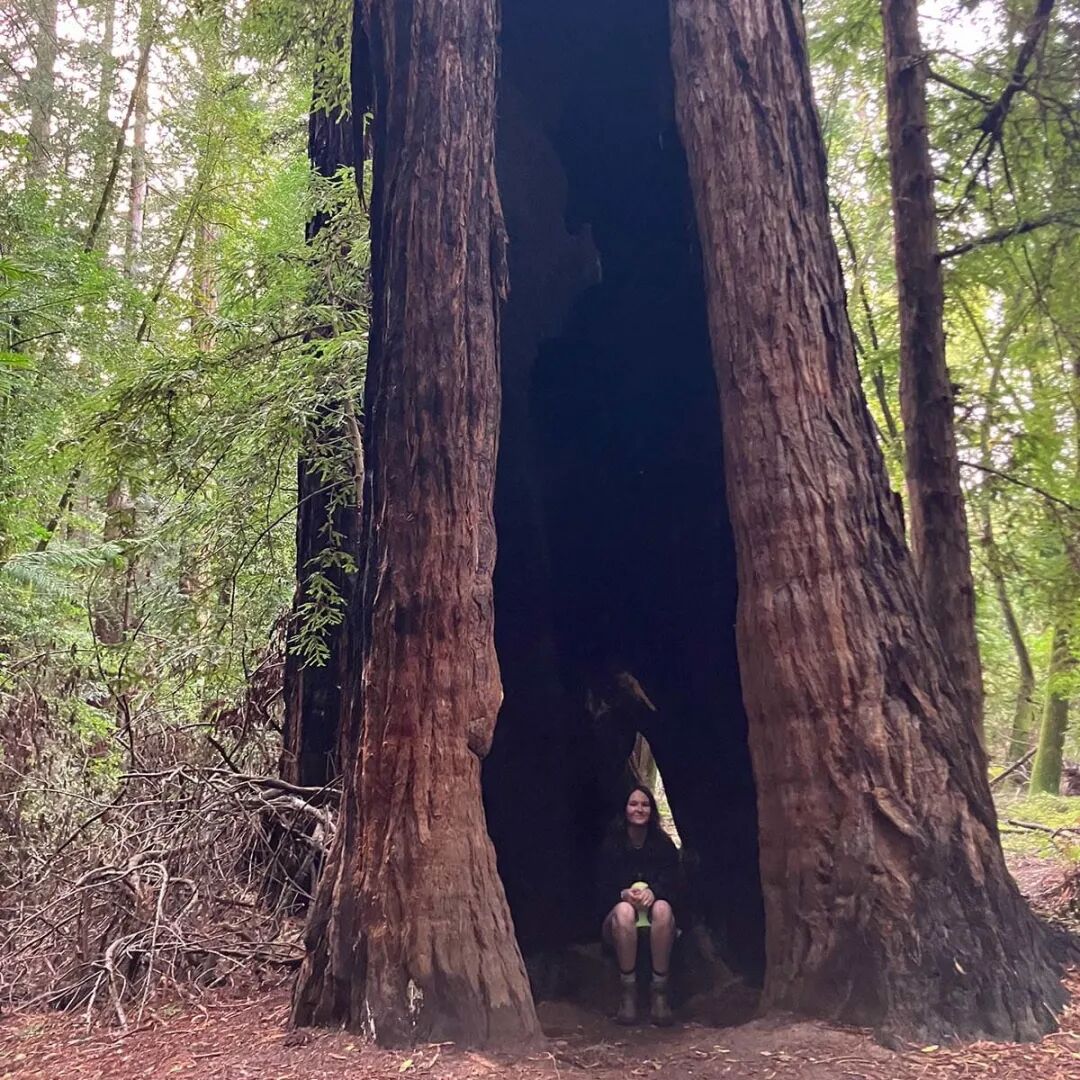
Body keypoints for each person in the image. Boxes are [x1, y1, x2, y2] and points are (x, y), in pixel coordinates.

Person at [598, 785, 679, 1025]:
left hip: (657, 922)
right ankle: (628, 995)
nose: (639, 809)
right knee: (624, 911)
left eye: (644, 804)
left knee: (663, 908)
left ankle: (659, 995)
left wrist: (654, 892)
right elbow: (600, 890)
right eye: (633, 804)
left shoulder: (663, 845)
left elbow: (677, 885)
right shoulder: (611, 846)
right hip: (618, 924)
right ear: (625, 809)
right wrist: (623, 894)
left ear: (652, 810)